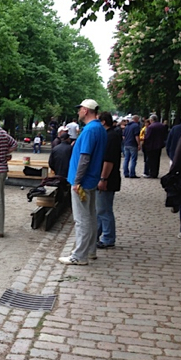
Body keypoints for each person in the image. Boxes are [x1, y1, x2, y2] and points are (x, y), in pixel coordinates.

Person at [59, 99, 107, 265]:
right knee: (91, 216)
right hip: (91, 179)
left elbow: (84, 157)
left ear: (85, 110)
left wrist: (77, 181)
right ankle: (90, 250)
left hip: (83, 181)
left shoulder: (89, 130)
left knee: (82, 219)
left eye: (80, 109)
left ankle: (79, 256)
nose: (78, 112)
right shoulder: (100, 128)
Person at [96, 112, 122, 249]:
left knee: (104, 209)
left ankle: (108, 237)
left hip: (108, 179)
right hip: (107, 177)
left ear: (103, 122)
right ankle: (97, 234)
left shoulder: (110, 137)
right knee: (100, 209)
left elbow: (108, 160)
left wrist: (103, 178)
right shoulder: (110, 135)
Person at [143, 114, 167, 179]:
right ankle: (156, 172)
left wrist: (145, 144)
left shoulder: (150, 127)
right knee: (157, 160)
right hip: (159, 145)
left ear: (151, 120)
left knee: (151, 160)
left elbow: (147, 137)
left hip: (151, 146)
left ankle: (152, 173)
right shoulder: (162, 126)